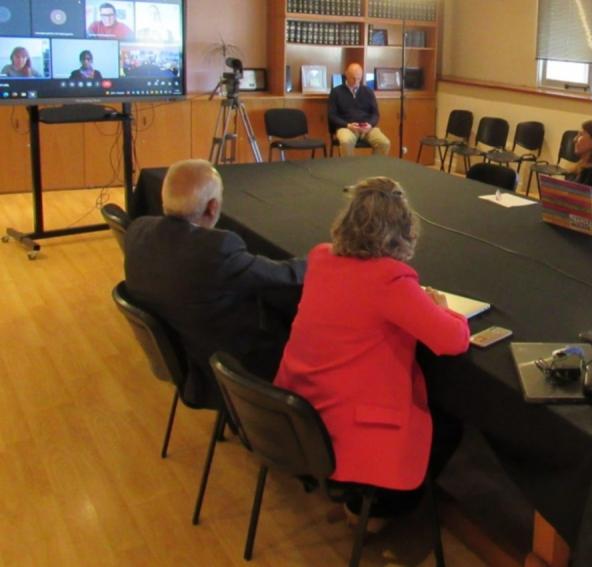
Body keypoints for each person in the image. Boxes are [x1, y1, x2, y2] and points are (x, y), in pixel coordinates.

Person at [274, 177, 469, 523]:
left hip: (300, 404)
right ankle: (380, 508)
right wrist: (442, 308)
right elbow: (453, 340)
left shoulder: (320, 257)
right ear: (404, 230)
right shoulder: (390, 280)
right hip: (345, 423)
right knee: (449, 421)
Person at [124, 159, 305, 407]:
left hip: (180, 354)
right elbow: (283, 276)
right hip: (228, 368)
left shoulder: (137, 230)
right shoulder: (217, 249)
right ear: (212, 207)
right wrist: (321, 257)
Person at [327, 63, 391, 156]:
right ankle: (348, 166)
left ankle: (375, 165)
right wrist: (348, 125)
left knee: (384, 143)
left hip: (367, 128)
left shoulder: (368, 91)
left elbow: (375, 114)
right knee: (346, 142)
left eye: (359, 78)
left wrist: (370, 124)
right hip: (347, 127)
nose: (356, 81)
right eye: (353, 78)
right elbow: (332, 115)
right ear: (346, 74)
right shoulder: (336, 92)